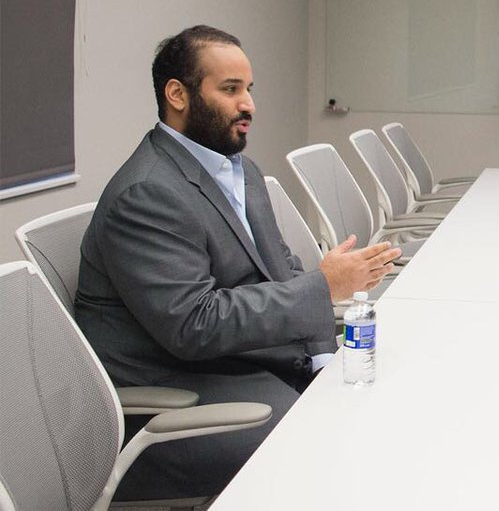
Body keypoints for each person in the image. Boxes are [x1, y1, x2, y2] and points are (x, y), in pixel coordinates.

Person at [75, 25, 402, 501]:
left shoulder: (238, 170)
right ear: (177, 95)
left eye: (248, 89)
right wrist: (324, 288)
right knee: (342, 449)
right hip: (177, 405)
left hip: (245, 365)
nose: (248, 104)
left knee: (378, 403)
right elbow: (194, 324)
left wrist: (323, 359)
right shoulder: (147, 193)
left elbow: (284, 271)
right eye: (230, 89)